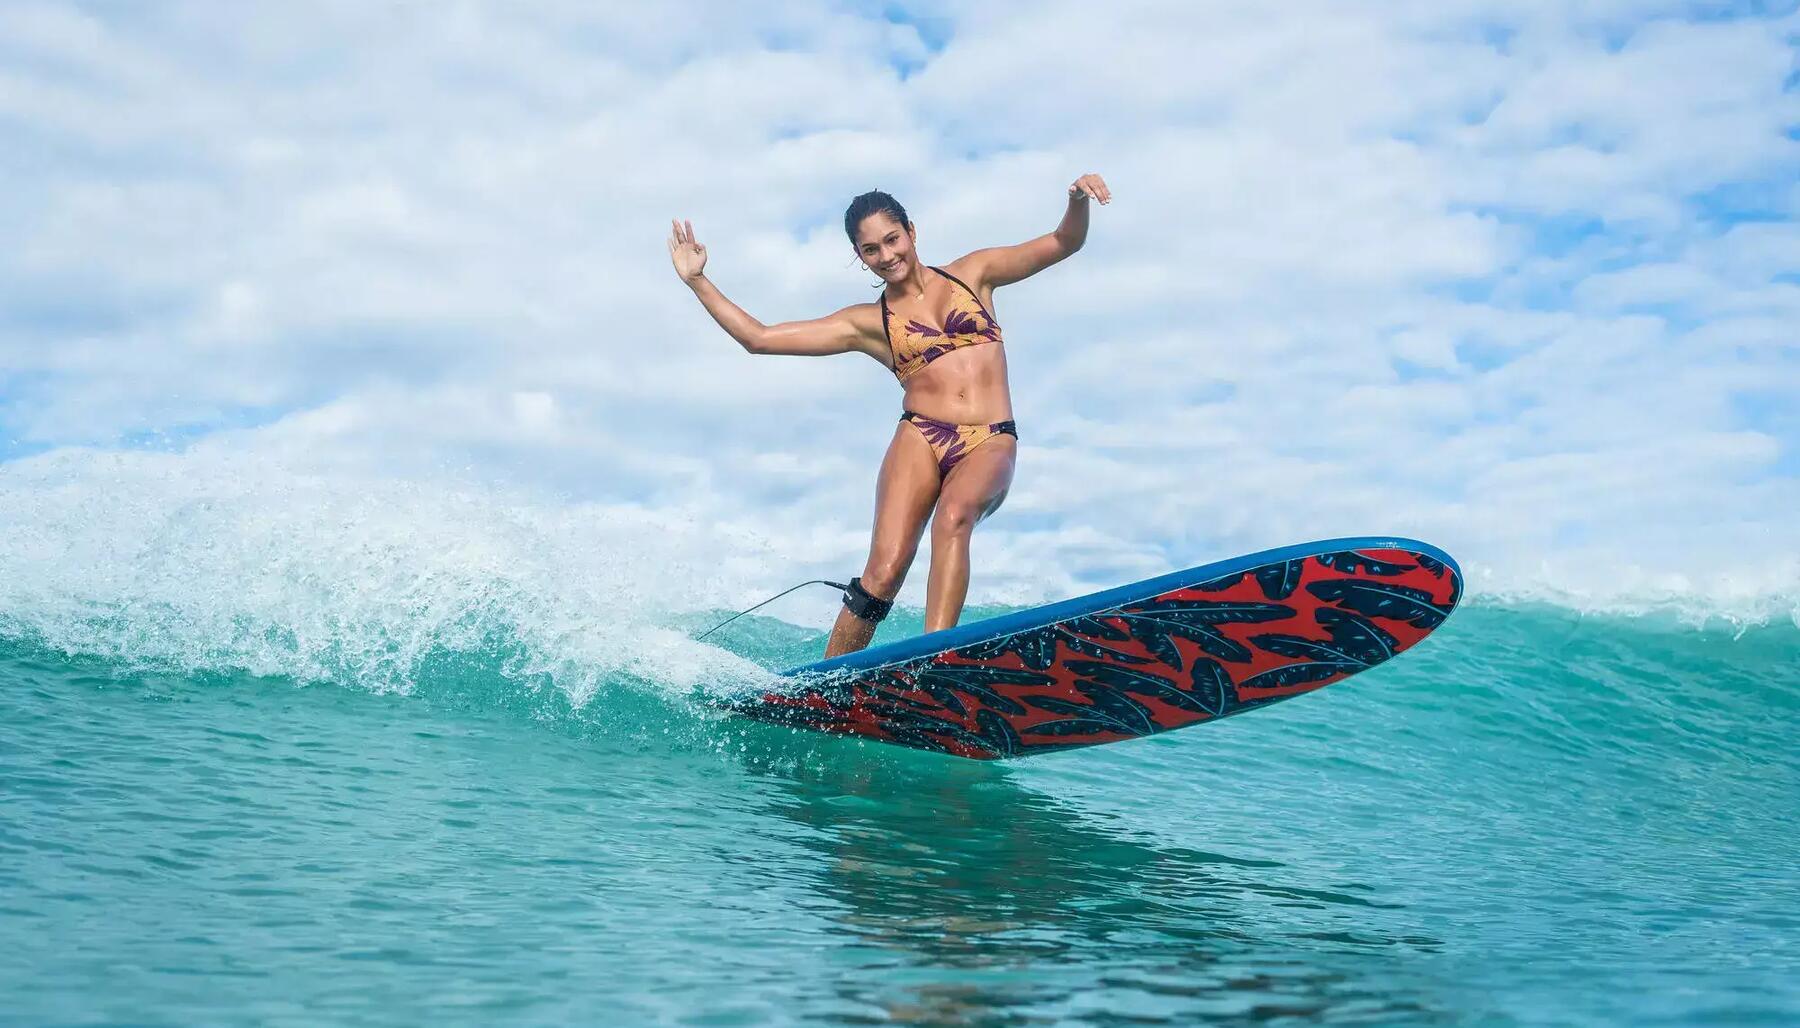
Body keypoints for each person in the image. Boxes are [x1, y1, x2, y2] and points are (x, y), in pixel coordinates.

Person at [669, 174, 1111, 657]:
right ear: (861, 257)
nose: (886, 256)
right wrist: (698, 281)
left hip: (990, 438)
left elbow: (1064, 241)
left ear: (912, 232)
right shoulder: (867, 322)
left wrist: (1076, 202)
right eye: (871, 250)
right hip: (921, 434)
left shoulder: (975, 273)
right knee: (881, 573)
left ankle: (935, 659)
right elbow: (760, 338)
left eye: (892, 239)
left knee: (954, 517)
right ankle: (828, 683)